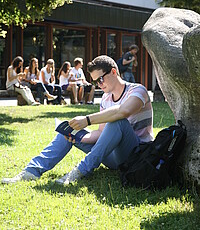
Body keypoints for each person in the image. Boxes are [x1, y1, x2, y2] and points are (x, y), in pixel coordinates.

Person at [2, 55, 153, 185]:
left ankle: (79, 171)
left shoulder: (138, 90)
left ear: (114, 72)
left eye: (100, 79)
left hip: (135, 155)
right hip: (112, 156)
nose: (99, 85)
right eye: (95, 82)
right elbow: (101, 133)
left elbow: (123, 111)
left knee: (118, 122)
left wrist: (87, 120)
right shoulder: (106, 98)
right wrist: (80, 135)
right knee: (68, 130)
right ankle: (30, 172)